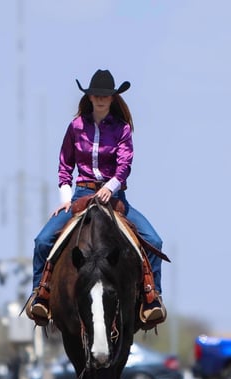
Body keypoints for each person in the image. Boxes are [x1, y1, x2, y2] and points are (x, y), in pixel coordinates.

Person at [25, 69, 167, 328]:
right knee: (42, 240)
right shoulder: (76, 127)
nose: (100, 99)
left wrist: (111, 187)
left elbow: (124, 165)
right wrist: (66, 197)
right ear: (89, 97)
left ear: (113, 98)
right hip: (81, 193)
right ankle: (41, 295)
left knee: (154, 240)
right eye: (96, 95)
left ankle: (152, 298)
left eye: (105, 95)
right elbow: (64, 165)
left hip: (114, 197)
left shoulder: (122, 129)